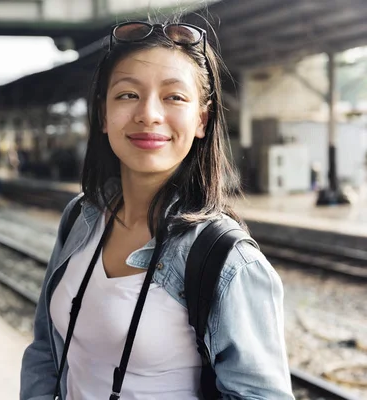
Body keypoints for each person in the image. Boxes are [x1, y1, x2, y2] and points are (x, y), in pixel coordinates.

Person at [21, 17, 294, 400]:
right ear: (103, 115)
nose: (148, 114)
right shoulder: (81, 217)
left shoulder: (227, 262)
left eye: (174, 97)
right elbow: (44, 350)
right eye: (128, 95)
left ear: (202, 118)